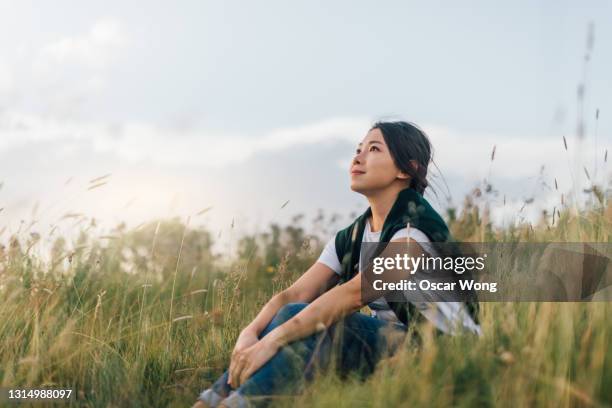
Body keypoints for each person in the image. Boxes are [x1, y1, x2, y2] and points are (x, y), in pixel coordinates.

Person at [193, 121, 481, 408]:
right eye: (358, 149)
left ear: (405, 170)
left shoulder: (415, 230)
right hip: (390, 347)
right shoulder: (354, 235)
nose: (358, 157)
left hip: (441, 353)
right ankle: (213, 403)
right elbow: (293, 295)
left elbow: (352, 295)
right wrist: (250, 334)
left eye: (374, 149)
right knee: (294, 314)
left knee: (306, 322)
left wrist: (271, 341)